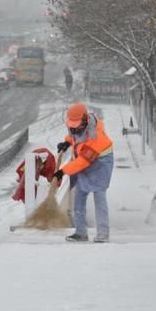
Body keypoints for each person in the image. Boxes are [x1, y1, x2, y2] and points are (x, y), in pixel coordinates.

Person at [53, 103, 114, 242]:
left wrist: (62, 172)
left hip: (101, 164)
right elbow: (74, 136)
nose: (74, 128)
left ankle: (103, 234)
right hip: (85, 161)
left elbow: (82, 162)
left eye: (76, 125)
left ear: (85, 120)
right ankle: (81, 233)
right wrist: (67, 143)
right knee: (79, 198)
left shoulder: (96, 137)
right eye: (72, 125)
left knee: (99, 197)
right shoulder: (76, 126)